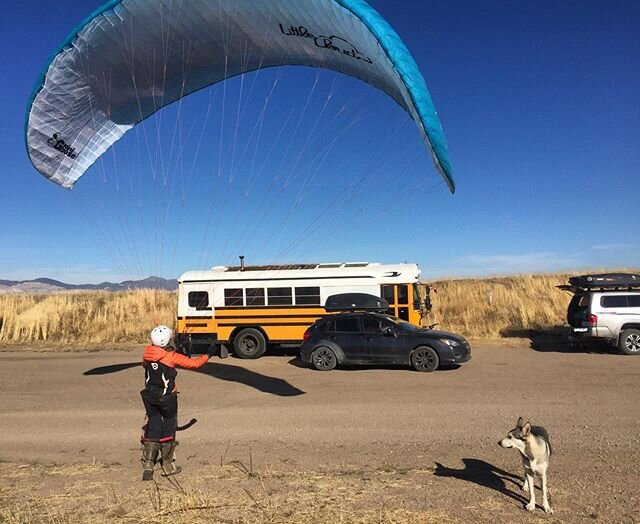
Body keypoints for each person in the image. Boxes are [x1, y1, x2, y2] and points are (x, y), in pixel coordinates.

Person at [140, 325, 211, 481]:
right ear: (167, 341)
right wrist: (209, 354)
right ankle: (167, 464)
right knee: (169, 426)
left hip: (149, 396)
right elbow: (195, 364)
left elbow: (147, 364)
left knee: (153, 424)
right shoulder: (171, 356)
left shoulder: (147, 354)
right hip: (167, 398)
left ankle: (148, 464)